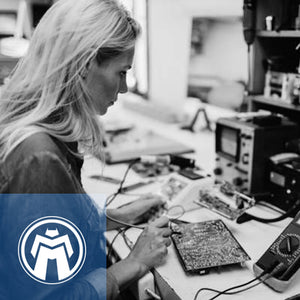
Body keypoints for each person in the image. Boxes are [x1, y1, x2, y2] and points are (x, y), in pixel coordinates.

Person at [0, 0, 172, 299]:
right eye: (121, 72)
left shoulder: (43, 131)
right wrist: (133, 263)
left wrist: (119, 216)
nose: (125, 87)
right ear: (84, 65)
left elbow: (56, 224)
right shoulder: (38, 156)